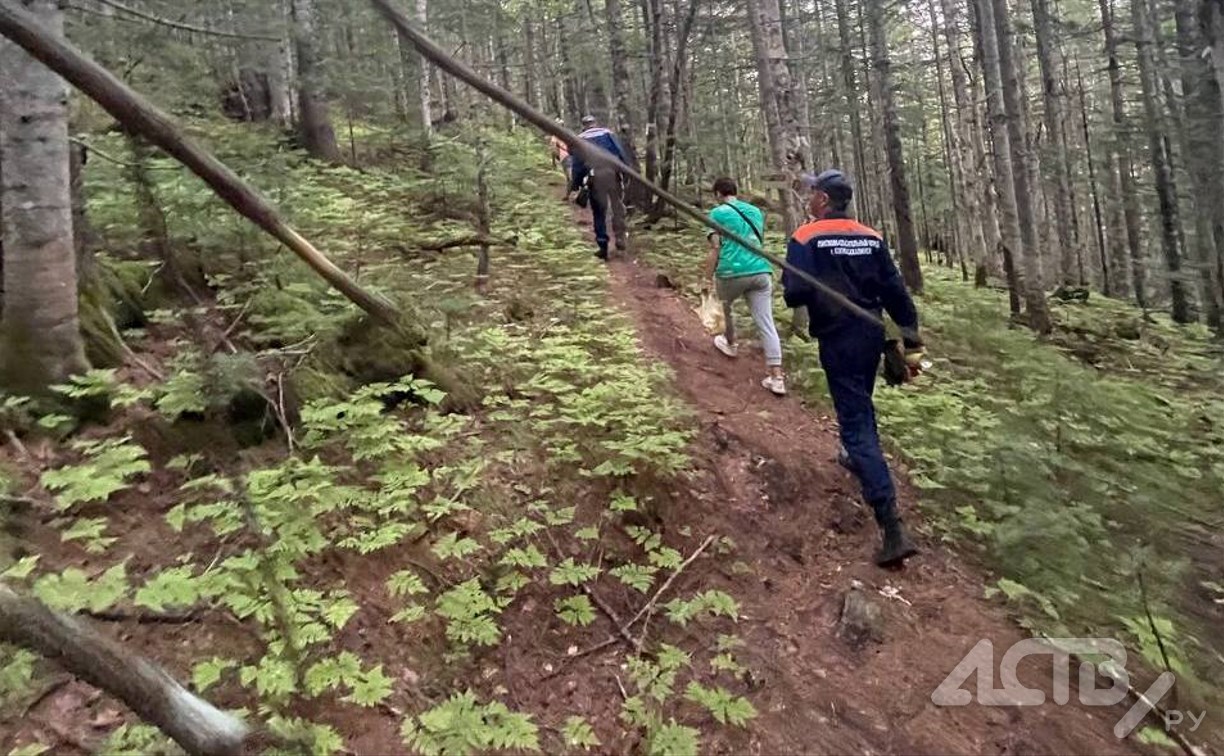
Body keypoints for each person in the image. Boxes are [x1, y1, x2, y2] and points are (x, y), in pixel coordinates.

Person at [782, 169, 923, 568]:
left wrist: (810, 280)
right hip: (870, 335)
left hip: (838, 337)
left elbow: (793, 295)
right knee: (860, 403)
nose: (809, 198)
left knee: (856, 420)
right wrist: (912, 341)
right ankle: (852, 453)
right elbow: (895, 289)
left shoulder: (805, 237)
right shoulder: (870, 236)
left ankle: (892, 525)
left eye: (812, 193)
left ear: (823, 199)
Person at [703, 177, 786, 396]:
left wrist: (706, 277)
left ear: (719, 194)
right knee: (766, 322)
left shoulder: (717, 213)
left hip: (731, 271)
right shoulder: (755, 212)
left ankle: (730, 343)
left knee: (725, 309)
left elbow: (715, 249)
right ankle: (777, 377)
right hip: (761, 270)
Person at [569, 115, 629, 260]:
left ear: (583, 125)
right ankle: (620, 237)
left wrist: (575, 184)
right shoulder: (608, 134)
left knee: (599, 212)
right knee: (617, 206)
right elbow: (620, 154)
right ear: (595, 123)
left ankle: (603, 246)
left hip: (594, 178)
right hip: (612, 175)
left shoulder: (580, 139)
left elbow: (577, 164)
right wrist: (626, 173)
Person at [548, 120, 572, 187]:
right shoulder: (568, 134)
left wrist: (554, 162)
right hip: (573, 155)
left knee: (569, 177)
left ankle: (572, 193)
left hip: (565, 156)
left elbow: (553, 150)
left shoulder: (554, 137)